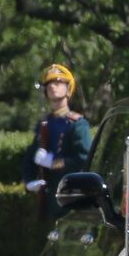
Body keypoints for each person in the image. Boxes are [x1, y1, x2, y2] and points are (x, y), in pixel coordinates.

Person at [21, 63, 92, 220]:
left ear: (68, 89)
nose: (53, 87)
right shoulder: (44, 124)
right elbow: (29, 158)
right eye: (49, 84)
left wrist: (54, 163)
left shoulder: (77, 123)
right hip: (49, 199)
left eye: (58, 83)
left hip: (71, 196)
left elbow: (83, 158)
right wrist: (30, 181)